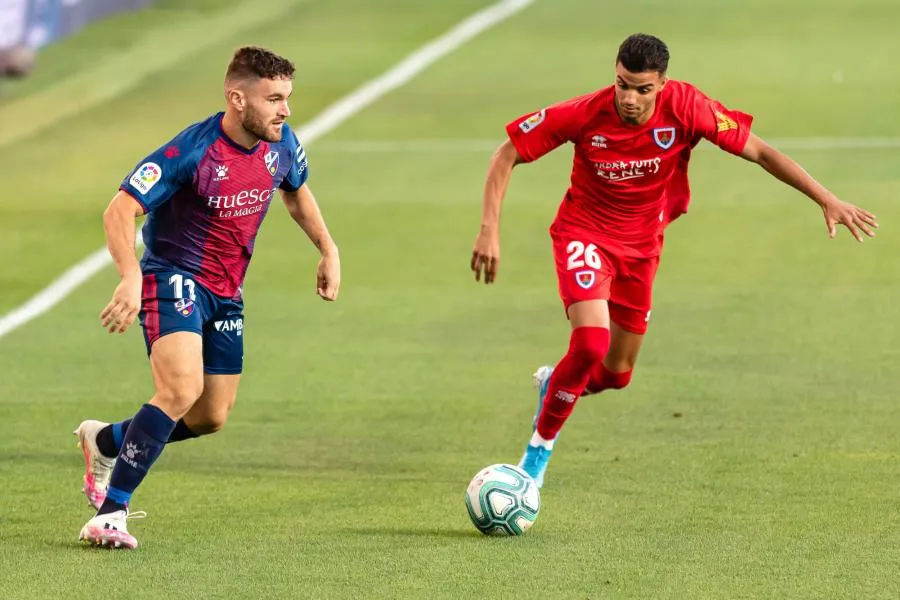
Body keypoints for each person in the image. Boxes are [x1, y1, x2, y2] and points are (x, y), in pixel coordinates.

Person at [470, 33, 877, 489]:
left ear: (662, 84)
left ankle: (557, 386)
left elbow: (761, 152)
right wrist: (489, 229)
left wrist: (826, 199)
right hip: (584, 234)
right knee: (589, 344)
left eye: (642, 89)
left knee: (616, 375)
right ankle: (534, 462)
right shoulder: (585, 112)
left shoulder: (688, 108)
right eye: (622, 84)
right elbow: (506, 154)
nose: (629, 98)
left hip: (642, 248)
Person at [74, 46, 341, 549]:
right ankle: (110, 514)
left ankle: (107, 440)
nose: (285, 110)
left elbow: (295, 190)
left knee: (209, 416)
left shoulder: (280, 143)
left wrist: (328, 249)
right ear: (237, 99)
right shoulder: (190, 152)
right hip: (172, 277)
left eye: (287, 98)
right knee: (179, 390)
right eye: (274, 99)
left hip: (227, 292)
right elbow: (120, 209)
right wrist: (130, 275)